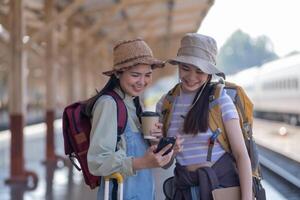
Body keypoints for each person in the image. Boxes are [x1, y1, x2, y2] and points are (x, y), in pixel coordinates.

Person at [156, 33, 252, 200]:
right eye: (185, 68)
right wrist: (165, 149)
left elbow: (241, 155)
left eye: (200, 71)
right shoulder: (166, 104)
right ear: (178, 65)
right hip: (183, 191)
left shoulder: (220, 101)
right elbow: (166, 164)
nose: (191, 77)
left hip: (222, 190)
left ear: (209, 73)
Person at [86, 38, 174, 200]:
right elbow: (97, 162)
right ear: (118, 73)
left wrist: (158, 144)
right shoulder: (108, 104)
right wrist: (143, 162)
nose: (142, 82)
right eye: (135, 75)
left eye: (148, 75)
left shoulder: (134, 102)